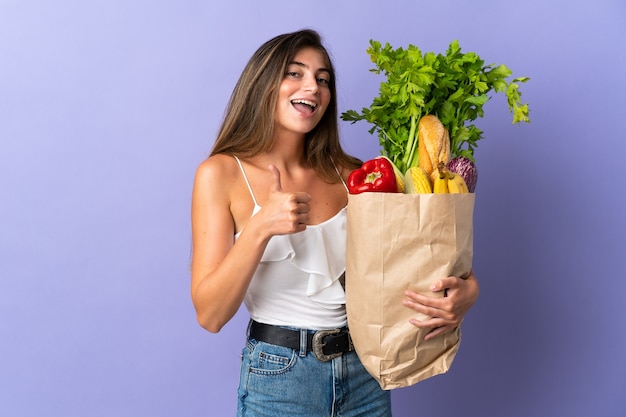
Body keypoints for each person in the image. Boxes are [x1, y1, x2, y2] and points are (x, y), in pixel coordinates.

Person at [190, 29, 480, 417]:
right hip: (281, 378)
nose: (312, 85)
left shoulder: (357, 176)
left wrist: (468, 293)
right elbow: (210, 315)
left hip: (366, 372)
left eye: (323, 79)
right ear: (262, 82)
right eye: (295, 73)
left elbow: (417, 259)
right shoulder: (221, 174)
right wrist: (261, 227)